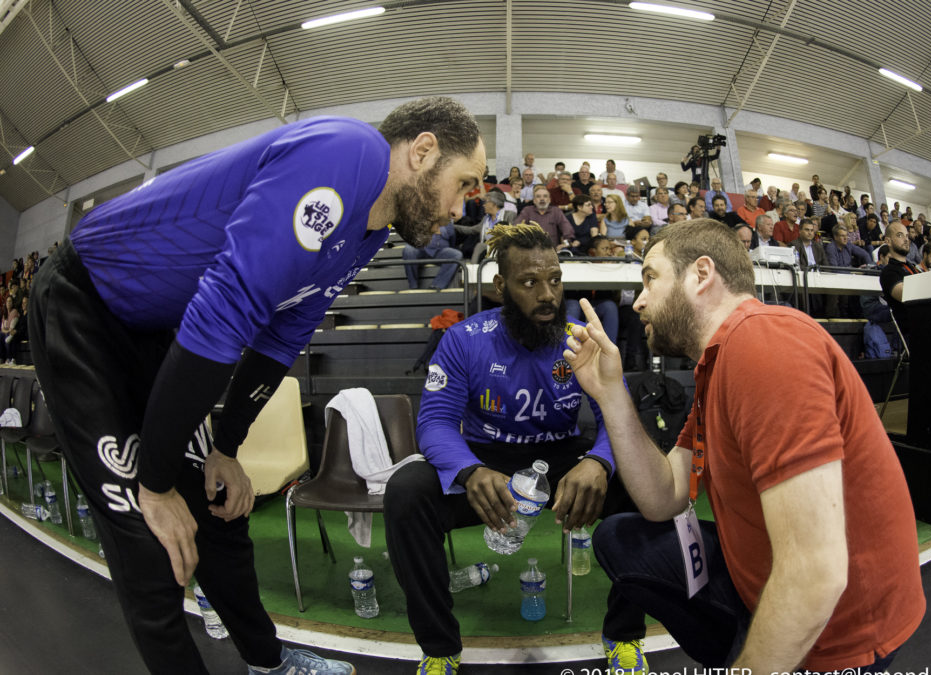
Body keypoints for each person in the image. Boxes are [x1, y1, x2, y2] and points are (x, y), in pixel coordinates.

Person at [27, 96, 488, 675]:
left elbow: (279, 341)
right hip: (82, 306)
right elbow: (225, 315)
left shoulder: (369, 232)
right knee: (148, 535)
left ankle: (266, 661)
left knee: (220, 509)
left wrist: (224, 449)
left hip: (154, 328)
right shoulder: (349, 152)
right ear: (423, 151)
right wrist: (154, 482)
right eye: (464, 182)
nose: (462, 205)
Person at [562, 219, 925, 673]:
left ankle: (764, 648)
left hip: (838, 634)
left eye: (650, 277)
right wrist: (610, 393)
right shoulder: (719, 363)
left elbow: (816, 573)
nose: (638, 301)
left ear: (701, 274)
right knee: (621, 537)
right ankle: (757, 633)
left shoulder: (762, 343)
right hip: (761, 575)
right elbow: (664, 497)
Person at [384, 224, 648, 675]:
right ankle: (439, 648)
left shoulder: (582, 339)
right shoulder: (464, 339)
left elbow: (618, 418)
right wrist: (469, 471)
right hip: (487, 460)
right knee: (406, 491)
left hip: (563, 458)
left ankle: (623, 635)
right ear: (500, 287)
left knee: (640, 485)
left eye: (555, 280)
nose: (547, 294)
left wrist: (600, 462)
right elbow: (434, 423)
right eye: (529, 283)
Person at [879, 222, 918, 334]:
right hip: (915, 331)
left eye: (907, 236)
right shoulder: (889, 272)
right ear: (888, 241)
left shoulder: (913, 268)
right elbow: (906, 294)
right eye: (900, 235)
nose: (906, 240)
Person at [402, 221, 463, 290]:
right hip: (421, 248)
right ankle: (413, 285)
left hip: (440, 251)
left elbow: (452, 238)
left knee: (456, 254)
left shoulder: (447, 221)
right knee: (408, 249)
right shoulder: (421, 217)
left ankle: (437, 285)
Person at [513, 185, 575, 251]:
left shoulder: (556, 211)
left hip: (551, 250)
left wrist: (565, 243)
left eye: (545, 196)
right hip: (531, 250)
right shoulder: (527, 211)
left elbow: (567, 229)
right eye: (538, 196)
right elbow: (517, 226)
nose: (542, 199)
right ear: (534, 200)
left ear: (549, 200)